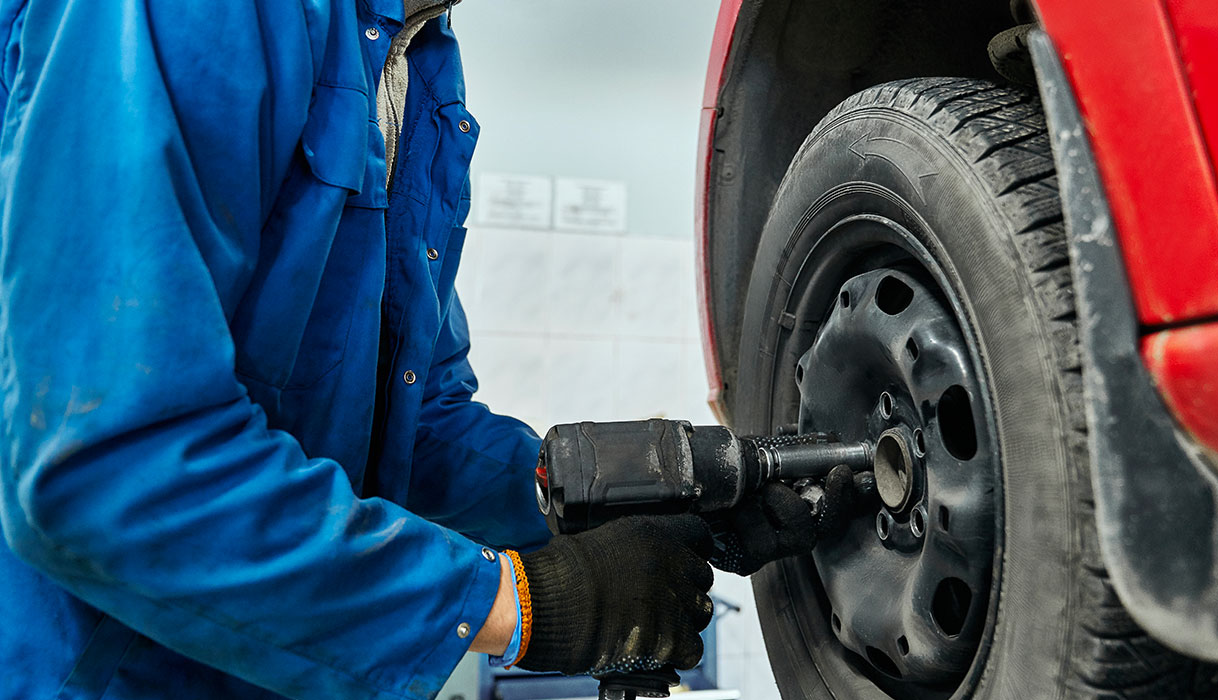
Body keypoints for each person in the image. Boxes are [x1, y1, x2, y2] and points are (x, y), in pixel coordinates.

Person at [0, 1, 861, 698]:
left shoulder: (416, 57)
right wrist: (524, 604)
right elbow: (111, 464)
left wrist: (613, 493)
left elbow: (416, 423)